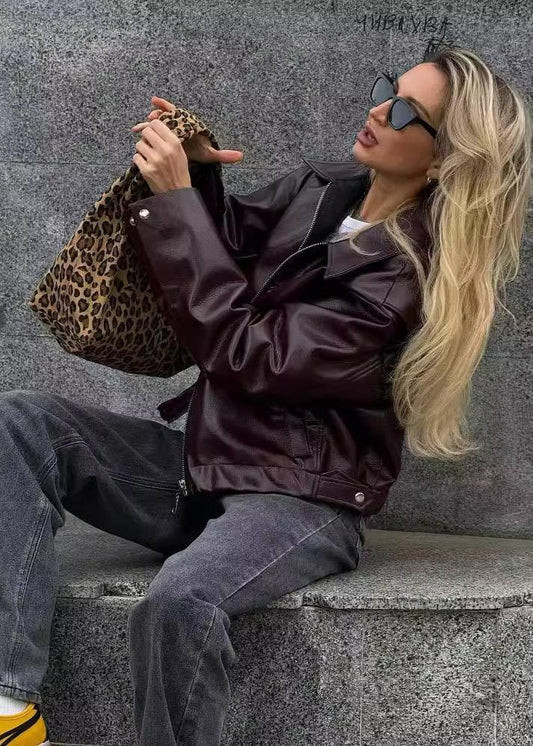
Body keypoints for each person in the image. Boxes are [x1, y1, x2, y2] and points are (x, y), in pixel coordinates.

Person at [0, 43, 530, 746]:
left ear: (443, 160)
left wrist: (176, 201)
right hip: (204, 464)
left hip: (300, 498)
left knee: (180, 600)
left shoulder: (404, 280)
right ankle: (9, 711)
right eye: (387, 88)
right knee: (21, 421)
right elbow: (228, 251)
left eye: (406, 112)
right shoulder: (327, 187)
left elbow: (248, 352)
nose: (379, 109)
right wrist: (195, 176)